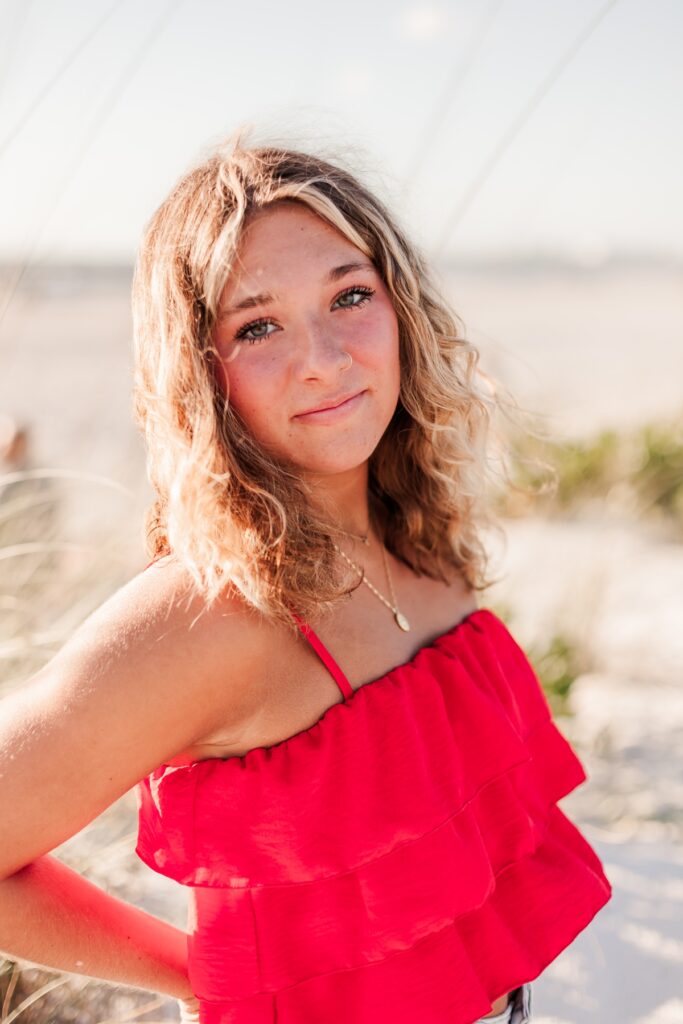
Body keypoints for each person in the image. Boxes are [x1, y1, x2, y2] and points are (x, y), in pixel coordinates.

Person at [0, 130, 612, 1024]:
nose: (321, 358)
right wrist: (204, 977)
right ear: (202, 376)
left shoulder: (418, 532)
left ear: (400, 308)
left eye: (349, 295)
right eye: (257, 325)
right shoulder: (213, 617)